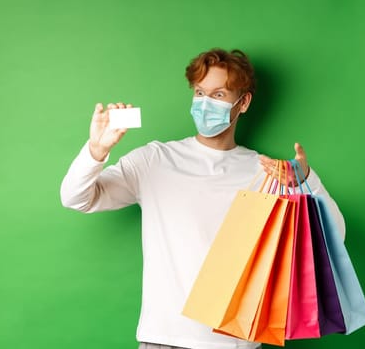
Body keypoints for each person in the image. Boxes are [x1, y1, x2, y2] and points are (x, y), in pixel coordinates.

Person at [59, 48, 345, 349]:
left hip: (238, 343)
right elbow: (76, 198)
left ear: (243, 102)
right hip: (163, 340)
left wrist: (307, 180)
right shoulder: (155, 160)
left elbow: (333, 237)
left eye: (218, 94)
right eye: (199, 92)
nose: (205, 103)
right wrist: (96, 150)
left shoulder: (265, 172)